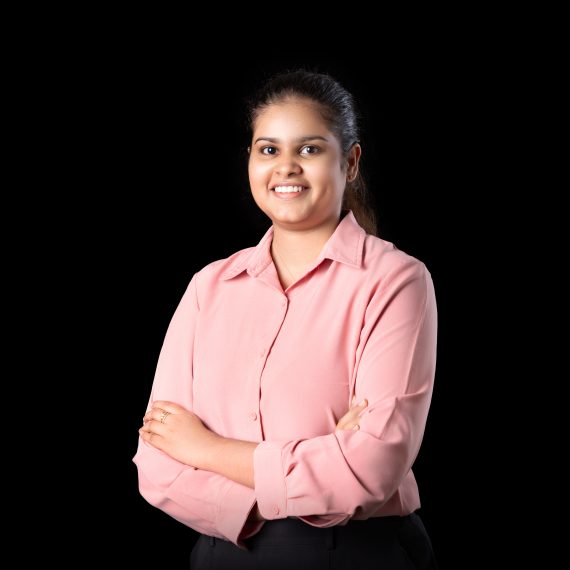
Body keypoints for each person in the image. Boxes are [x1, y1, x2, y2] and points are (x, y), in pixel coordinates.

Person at [134, 69, 438, 569]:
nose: (286, 167)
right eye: (269, 149)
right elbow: (155, 464)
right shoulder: (209, 287)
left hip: (353, 554)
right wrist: (317, 467)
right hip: (221, 554)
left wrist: (204, 448)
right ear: (250, 161)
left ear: (350, 162)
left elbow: (370, 471)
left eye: (310, 149)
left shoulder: (395, 280)